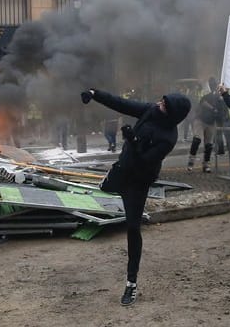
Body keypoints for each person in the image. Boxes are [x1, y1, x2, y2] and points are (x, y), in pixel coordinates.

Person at [80, 88, 191, 306]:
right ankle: (110, 179)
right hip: (122, 171)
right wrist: (95, 93)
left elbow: (145, 161)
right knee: (103, 190)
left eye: (164, 105)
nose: (159, 104)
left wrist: (133, 140)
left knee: (132, 227)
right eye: (161, 100)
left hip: (138, 182)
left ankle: (131, 283)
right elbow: (122, 103)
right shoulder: (150, 110)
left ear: (172, 114)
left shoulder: (168, 137)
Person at [187, 77, 227, 173]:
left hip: (211, 122)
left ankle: (206, 165)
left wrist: (220, 123)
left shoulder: (221, 98)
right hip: (200, 120)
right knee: (197, 139)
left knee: (208, 144)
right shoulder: (206, 93)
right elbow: (202, 102)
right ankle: (191, 162)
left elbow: (222, 113)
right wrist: (212, 108)